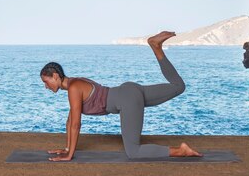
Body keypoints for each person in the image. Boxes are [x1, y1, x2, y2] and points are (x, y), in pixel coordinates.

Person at [40, 30, 203, 161]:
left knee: (133, 152)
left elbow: (76, 124)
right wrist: (67, 148)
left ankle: (181, 151)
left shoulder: (74, 88)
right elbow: (70, 121)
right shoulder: (74, 84)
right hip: (129, 91)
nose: (45, 87)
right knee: (178, 86)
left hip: (127, 100)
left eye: (46, 82)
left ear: (55, 76)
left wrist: (69, 155)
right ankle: (156, 47)